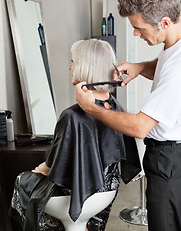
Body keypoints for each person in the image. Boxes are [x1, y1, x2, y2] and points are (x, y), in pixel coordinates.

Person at [9, 39, 141, 231]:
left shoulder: (71, 116)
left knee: (22, 180)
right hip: (108, 191)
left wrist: (44, 167)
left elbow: (54, 167)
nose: (71, 66)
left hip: (83, 193)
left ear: (87, 68)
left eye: (74, 61)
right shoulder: (115, 106)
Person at [75, 0, 181, 231]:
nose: (135, 33)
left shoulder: (178, 68)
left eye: (139, 28)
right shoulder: (173, 45)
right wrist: (141, 67)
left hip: (170, 161)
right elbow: (163, 66)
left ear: (164, 22)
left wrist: (89, 107)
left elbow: (139, 127)